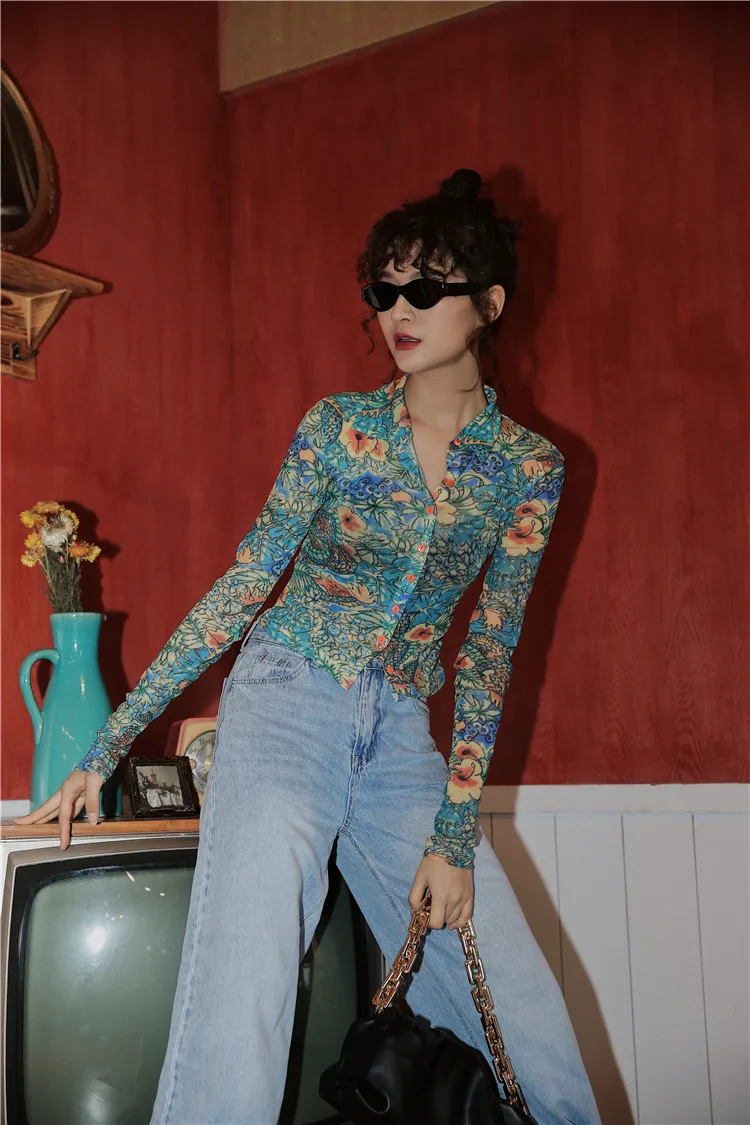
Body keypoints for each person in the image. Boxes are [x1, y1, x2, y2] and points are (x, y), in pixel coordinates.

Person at [14, 169, 601, 1125]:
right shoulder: (337, 430)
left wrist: (454, 835)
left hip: (403, 738)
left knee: (526, 1014)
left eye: (426, 288)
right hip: (286, 701)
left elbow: (490, 652)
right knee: (245, 994)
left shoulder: (530, 468)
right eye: (384, 288)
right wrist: (107, 746)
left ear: (489, 304)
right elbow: (245, 584)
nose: (397, 310)